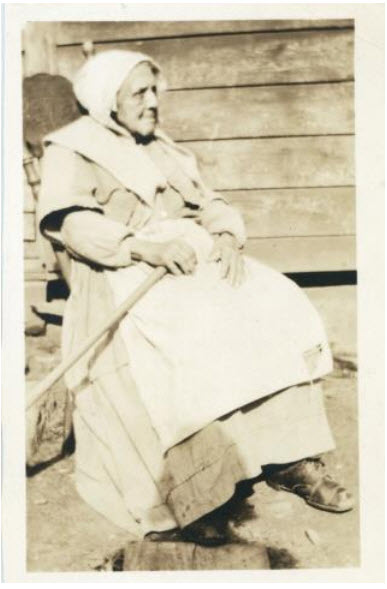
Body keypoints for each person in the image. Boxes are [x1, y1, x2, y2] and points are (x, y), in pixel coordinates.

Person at [38, 50, 353, 546]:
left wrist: (226, 235)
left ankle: (291, 457)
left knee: (272, 302)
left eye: (154, 90)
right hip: (123, 271)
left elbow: (208, 201)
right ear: (107, 100)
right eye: (139, 93)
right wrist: (142, 246)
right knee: (196, 331)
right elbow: (72, 224)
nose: (153, 102)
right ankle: (201, 488)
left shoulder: (158, 146)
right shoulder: (71, 149)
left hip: (188, 261)